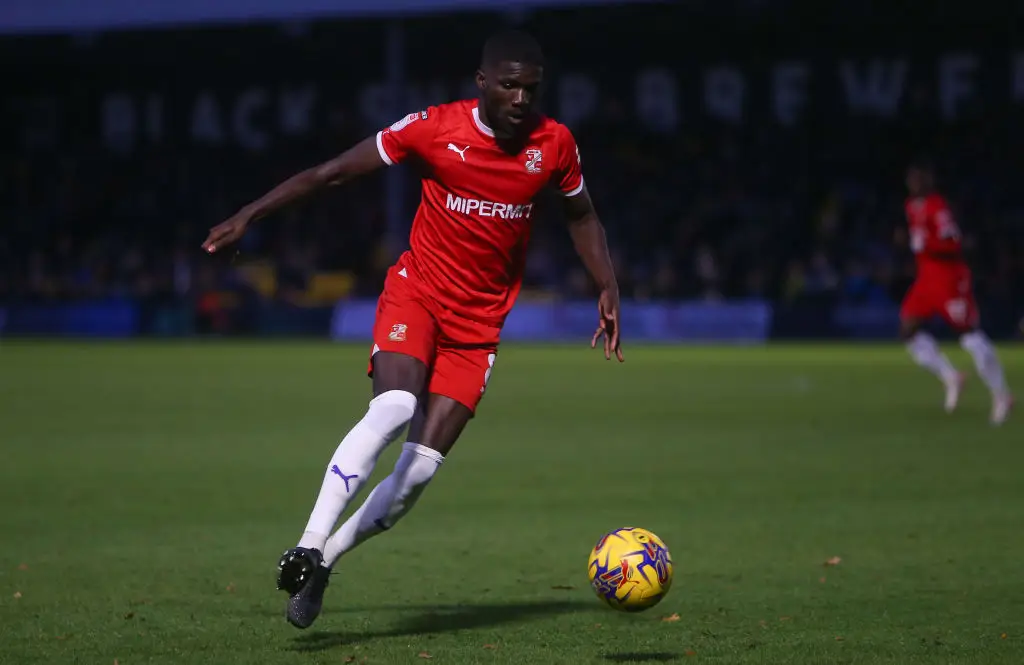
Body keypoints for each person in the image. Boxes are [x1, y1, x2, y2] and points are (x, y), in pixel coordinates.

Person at [202, 29, 624, 628]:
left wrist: (606, 284)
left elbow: (582, 214)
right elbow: (330, 173)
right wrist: (250, 214)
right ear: (482, 83)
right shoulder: (432, 128)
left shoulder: (554, 145)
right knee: (397, 403)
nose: (521, 99)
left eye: (531, 88)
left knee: (416, 475)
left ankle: (325, 562)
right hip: (417, 295)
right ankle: (307, 541)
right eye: (509, 86)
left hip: (477, 328)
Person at [898, 160, 1012, 425]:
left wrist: (926, 243)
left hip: (949, 279)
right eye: (910, 178)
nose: (913, 182)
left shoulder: (938, 208)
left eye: (919, 177)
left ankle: (1001, 394)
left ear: (929, 180)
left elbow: (953, 242)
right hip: (926, 280)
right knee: (907, 330)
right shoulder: (911, 207)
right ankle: (951, 377)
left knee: (969, 336)